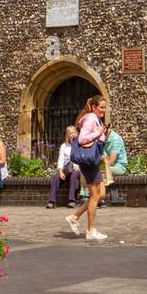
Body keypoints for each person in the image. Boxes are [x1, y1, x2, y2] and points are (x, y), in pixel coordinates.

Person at [66, 95, 109, 241]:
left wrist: (103, 134)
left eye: (105, 107)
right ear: (94, 107)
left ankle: (75, 216)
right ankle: (91, 230)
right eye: (102, 107)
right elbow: (83, 138)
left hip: (93, 161)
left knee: (100, 194)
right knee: (95, 196)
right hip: (88, 162)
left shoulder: (95, 119)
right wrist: (99, 132)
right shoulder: (90, 118)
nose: (104, 110)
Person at [46, 125, 77, 209]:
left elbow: (82, 157)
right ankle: (52, 201)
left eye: (74, 132)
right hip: (66, 169)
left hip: (77, 169)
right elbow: (61, 159)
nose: (73, 135)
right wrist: (60, 171)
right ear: (67, 135)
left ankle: (72, 201)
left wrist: (79, 166)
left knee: (74, 176)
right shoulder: (64, 146)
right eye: (70, 133)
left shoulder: (79, 145)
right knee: (56, 178)